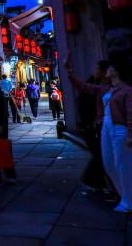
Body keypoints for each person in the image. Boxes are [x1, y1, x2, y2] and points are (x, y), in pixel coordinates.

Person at [65, 54, 132, 213]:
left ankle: (128, 201)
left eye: (110, 68)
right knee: (109, 165)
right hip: (105, 128)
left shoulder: (126, 90)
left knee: (122, 166)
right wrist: (70, 72)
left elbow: (130, 113)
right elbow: (84, 86)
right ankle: (125, 196)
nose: (107, 70)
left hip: (119, 129)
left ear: (117, 71)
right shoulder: (105, 89)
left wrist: (130, 133)